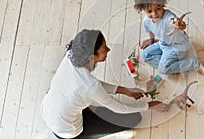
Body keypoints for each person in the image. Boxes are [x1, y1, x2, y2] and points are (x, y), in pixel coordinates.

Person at [40, 29, 169, 139]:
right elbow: (119, 108)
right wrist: (151, 105)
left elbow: (88, 84)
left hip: (48, 108)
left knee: (85, 95)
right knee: (134, 119)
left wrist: (125, 90)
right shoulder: (90, 86)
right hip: (67, 131)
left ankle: (86, 110)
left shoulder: (71, 54)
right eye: (103, 49)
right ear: (91, 56)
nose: (108, 49)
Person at [133, 0, 204, 79]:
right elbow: (150, 30)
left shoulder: (169, 17)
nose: (154, 13)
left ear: (162, 4)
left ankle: (195, 64)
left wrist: (180, 25)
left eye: (158, 9)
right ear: (143, 9)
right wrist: (151, 40)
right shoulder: (146, 21)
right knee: (145, 55)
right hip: (163, 43)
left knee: (163, 69)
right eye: (149, 11)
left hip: (178, 47)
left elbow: (178, 23)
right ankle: (177, 66)